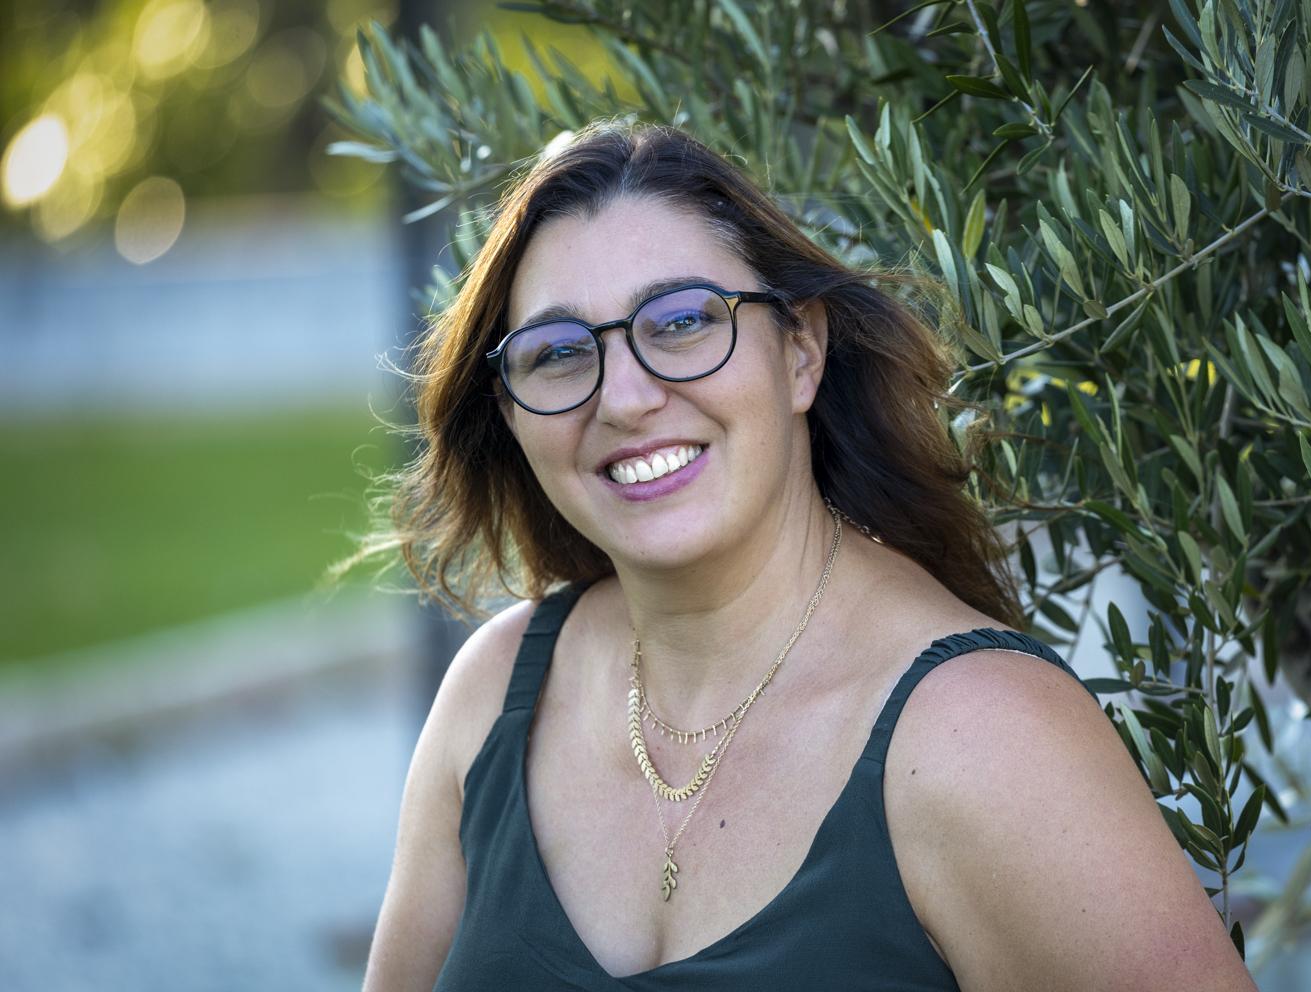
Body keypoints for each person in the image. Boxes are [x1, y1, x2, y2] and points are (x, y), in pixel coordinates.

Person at [359, 120, 1259, 990]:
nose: (624, 399)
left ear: (801, 351)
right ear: (511, 412)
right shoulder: (496, 693)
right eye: (557, 351)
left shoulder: (984, 736)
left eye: (681, 321)